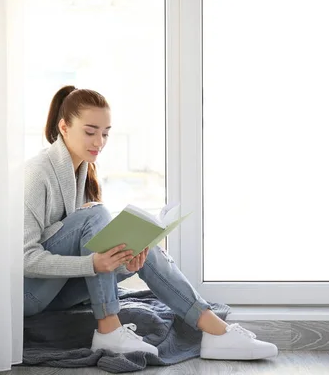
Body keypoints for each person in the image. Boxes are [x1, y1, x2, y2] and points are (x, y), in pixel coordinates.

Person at [23, 86, 277, 360]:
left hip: (60, 289)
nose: (99, 141)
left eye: (105, 133)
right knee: (97, 214)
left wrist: (125, 263)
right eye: (90, 131)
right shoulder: (38, 173)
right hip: (31, 294)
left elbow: (90, 255)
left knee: (143, 245)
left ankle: (214, 330)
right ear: (64, 127)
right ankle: (108, 329)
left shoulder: (83, 171)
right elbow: (24, 259)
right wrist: (91, 264)